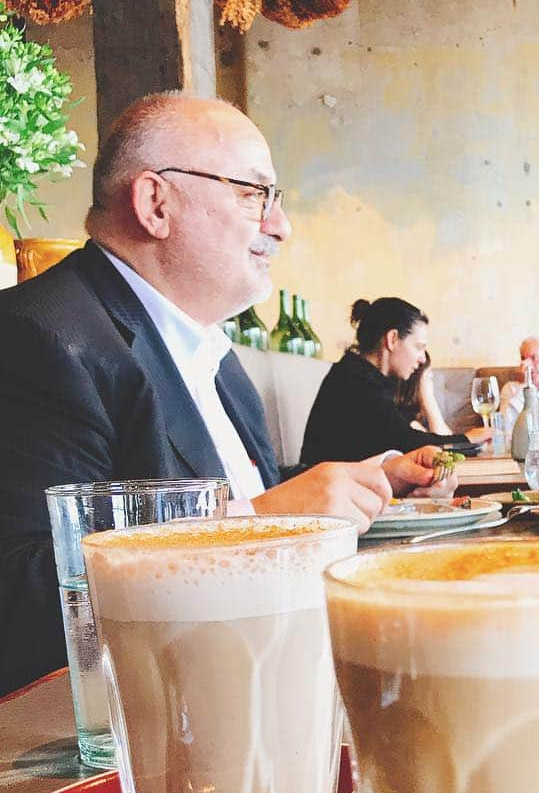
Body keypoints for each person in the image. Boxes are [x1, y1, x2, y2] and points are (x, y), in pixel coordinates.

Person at [0, 92, 448, 696]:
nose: (281, 225)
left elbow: (244, 494)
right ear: (156, 203)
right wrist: (264, 522)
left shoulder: (216, 357)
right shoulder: (42, 335)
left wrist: (372, 477)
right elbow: (20, 596)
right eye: (252, 193)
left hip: (257, 674)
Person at [300, 298, 490, 464]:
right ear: (392, 339)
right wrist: (467, 439)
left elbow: (403, 430)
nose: (423, 358)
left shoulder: (366, 377)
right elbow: (406, 441)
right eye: (418, 347)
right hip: (326, 492)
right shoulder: (355, 381)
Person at [396, 352, 452, 434]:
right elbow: (445, 443)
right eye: (429, 375)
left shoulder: (418, 414)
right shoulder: (404, 419)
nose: (432, 377)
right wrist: (427, 397)